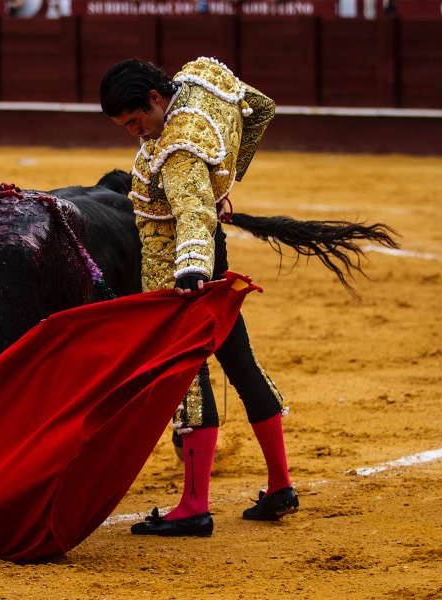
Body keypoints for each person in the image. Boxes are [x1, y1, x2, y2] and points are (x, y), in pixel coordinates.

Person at [99, 56, 299, 536]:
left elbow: (190, 213)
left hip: (180, 271)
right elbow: (260, 108)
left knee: (186, 377)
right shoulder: (200, 81)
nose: (135, 133)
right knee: (241, 361)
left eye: (136, 121)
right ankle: (280, 486)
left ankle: (194, 507)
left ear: (154, 98)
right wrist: (223, 180)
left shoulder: (177, 148)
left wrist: (189, 269)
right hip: (214, 250)